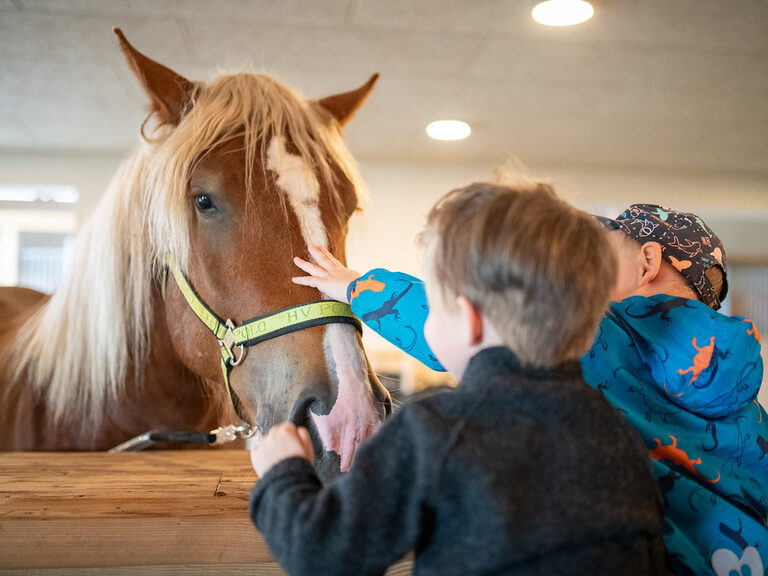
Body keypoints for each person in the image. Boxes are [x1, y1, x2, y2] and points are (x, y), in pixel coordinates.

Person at [294, 201, 768, 576]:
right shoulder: (750, 410)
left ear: (647, 261)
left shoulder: (598, 332)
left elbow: (479, 327)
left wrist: (359, 287)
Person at [250, 182, 670, 576]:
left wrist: (283, 473)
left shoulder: (434, 432)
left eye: (433, 303)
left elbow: (323, 553)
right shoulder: (620, 436)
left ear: (469, 320)